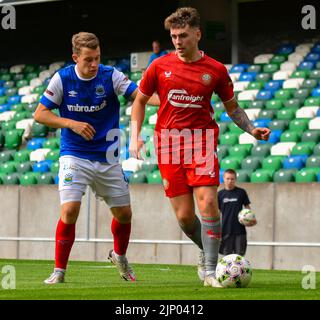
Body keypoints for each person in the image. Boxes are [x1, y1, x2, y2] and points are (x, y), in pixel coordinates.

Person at [129, 7, 270, 288]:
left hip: (202, 144)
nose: (177, 41)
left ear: (197, 34)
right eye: (173, 36)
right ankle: (207, 252)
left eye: (183, 35)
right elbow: (140, 101)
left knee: (208, 204)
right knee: (183, 218)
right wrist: (135, 137)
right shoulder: (159, 66)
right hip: (168, 145)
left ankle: (209, 272)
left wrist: (251, 128)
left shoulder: (216, 70)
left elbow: (233, 108)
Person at [34, 32, 157, 284]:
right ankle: (59, 271)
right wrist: (71, 123)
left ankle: (119, 256)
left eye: (97, 58)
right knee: (69, 211)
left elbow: (140, 97)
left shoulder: (110, 75)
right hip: (74, 155)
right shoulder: (63, 78)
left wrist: (167, 99)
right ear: (75, 57)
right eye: (88, 60)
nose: (94, 65)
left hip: (108, 156)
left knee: (124, 215)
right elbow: (40, 114)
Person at [218, 169, 256, 257]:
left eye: (232, 179)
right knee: (227, 258)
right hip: (225, 231)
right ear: (223, 178)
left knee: (239, 257)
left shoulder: (241, 192)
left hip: (240, 231)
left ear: (235, 179)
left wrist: (251, 219)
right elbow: (217, 213)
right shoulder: (220, 194)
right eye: (228, 178)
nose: (230, 181)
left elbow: (248, 209)